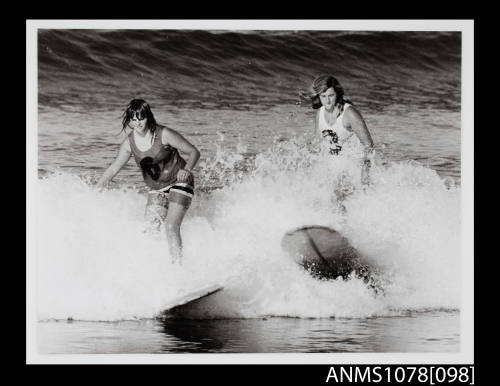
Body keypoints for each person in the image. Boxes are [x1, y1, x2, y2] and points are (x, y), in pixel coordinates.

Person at [96, 99, 200, 264]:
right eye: (134, 119)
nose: (138, 123)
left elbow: (194, 152)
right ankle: (154, 269)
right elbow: (114, 168)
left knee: (171, 227)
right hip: (157, 188)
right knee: (150, 231)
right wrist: (96, 189)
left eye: (141, 118)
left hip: (180, 182)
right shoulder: (128, 144)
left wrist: (186, 170)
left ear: (148, 116)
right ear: (129, 120)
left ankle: (178, 271)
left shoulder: (164, 134)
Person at [309, 75, 374, 185]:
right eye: (323, 96)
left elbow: (368, 145)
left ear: (337, 94)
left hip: (354, 166)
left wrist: (365, 173)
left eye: (331, 95)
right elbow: (318, 145)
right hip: (335, 166)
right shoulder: (320, 113)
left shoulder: (349, 113)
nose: (327, 101)